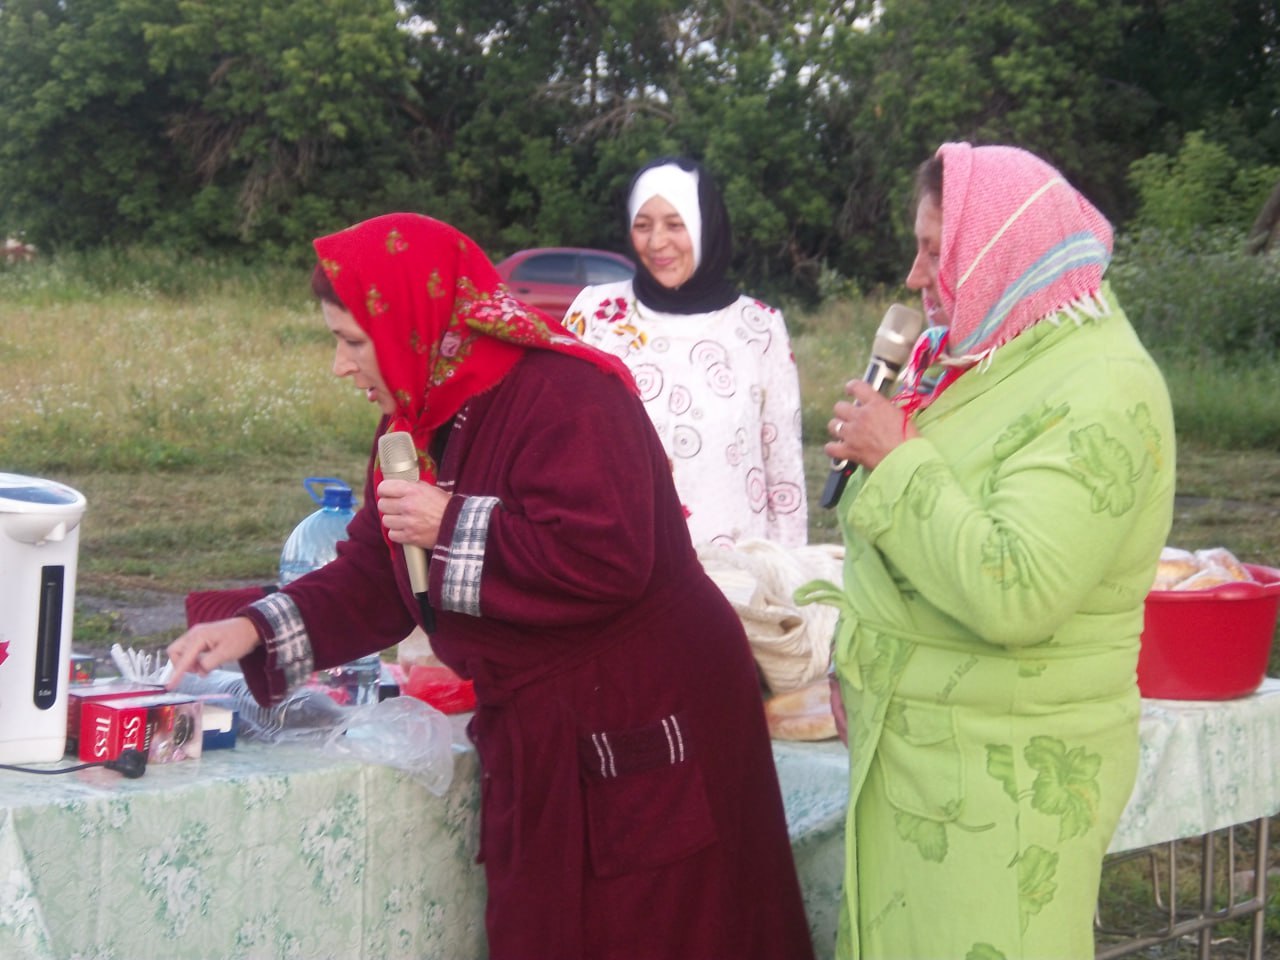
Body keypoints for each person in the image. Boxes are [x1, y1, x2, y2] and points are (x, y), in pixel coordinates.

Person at [165, 213, 815, 960]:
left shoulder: (569, 396)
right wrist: (251, 628)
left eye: (351, 342)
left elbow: (608, 558)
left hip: (646, 707)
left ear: (411, 323)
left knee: (662, 931)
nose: (340, 366)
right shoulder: (418, 417)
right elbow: (379, 571)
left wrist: (448, 521)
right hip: (547, 722)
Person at [799, 143, 1176, 959]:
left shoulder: (1101, 387)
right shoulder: (992, 355)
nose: (915, 275)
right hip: (927, 760)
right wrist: (856, 657)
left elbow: (1018, 590)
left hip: (1005, 782)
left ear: (1001, 248)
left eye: (935, 250)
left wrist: (898, 458)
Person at [563, 156, 808, 549]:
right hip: (616, 558)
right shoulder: (594, 315)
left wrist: (789, 571)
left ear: (705, 226)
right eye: (643, 225)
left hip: (733, 570)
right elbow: (560, 444)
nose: (657, 242)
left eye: (675, 225)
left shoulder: (760, 328)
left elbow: (784, 475)